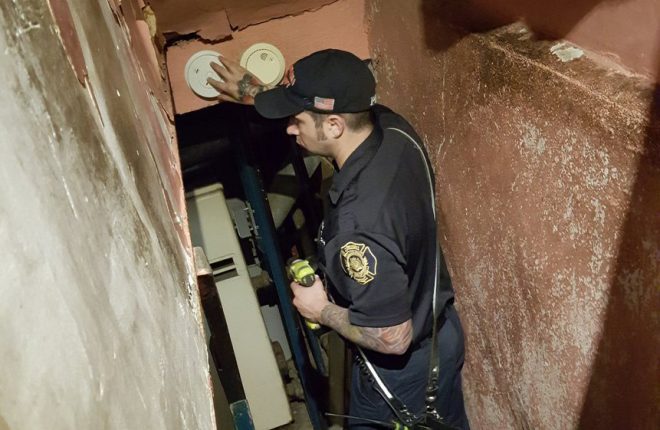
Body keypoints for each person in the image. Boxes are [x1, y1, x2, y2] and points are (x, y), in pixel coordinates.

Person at [209, 49, 470, 430]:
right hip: (440, 339)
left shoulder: (358, 225)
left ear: (333, 126)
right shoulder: (393, 129)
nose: (289, 129)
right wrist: (256, 91)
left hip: (401, 372)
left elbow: (393, 338)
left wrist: (321, 311)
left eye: (297, 120)